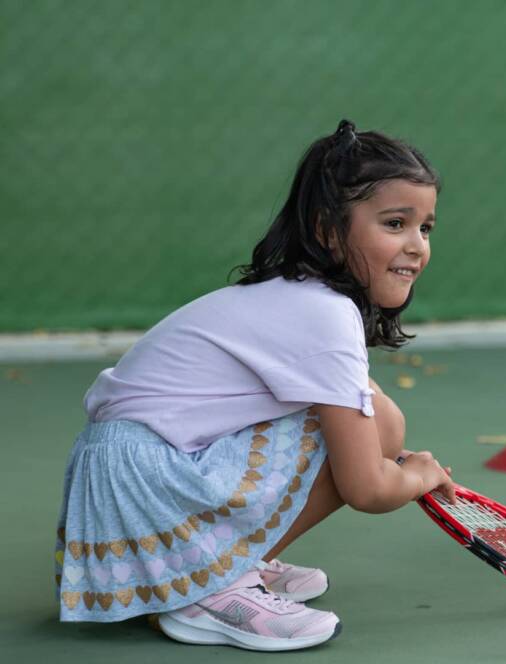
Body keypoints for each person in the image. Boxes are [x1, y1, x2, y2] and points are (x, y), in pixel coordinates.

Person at [54, 120, 455, 651]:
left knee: (377, 418)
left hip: (122, 480)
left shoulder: (298, 296)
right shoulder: (325, 315)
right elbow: (367, 489)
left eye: (424, 228)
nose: (415, 246)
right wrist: (419, 476)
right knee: (374, 425)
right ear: (328, 231)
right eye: (395, 223)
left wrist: (387, 461)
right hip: (144, 480)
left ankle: (215, 566)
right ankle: (212, 588)